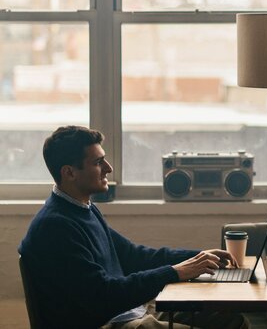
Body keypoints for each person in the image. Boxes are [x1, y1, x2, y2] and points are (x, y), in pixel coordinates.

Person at [18, 126, 247, 329]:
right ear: (69, 172)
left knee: (229, 318)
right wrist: (176, 272)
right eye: (98, 162)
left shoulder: (82, 209)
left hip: (127, 313)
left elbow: (133, 255)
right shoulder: (55, 227)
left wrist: (200, 257)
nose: (108, 168)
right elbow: (104, 294)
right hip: (107, 322)